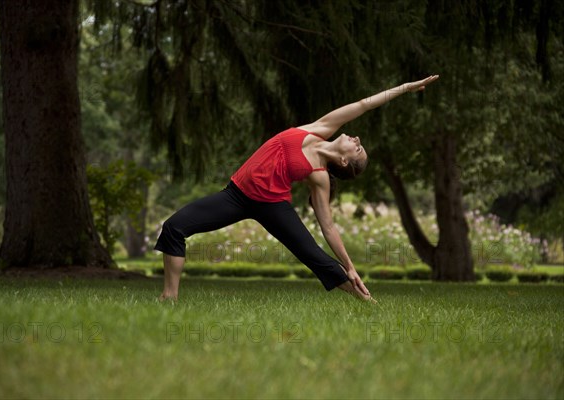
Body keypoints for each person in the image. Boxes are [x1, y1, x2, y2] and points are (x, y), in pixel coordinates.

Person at [155, 75, 439, 302]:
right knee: (174, 227)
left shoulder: (319, 176)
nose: (356, 138)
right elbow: (364, 104)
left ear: (343, 160)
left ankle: (367, 302)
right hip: (236, 195)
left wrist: (350, 266)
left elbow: (327, 226)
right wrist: (405, 88)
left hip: (272, 205)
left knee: (313, 255)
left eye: (357, 147)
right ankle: (170, 297)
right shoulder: (319, 128)